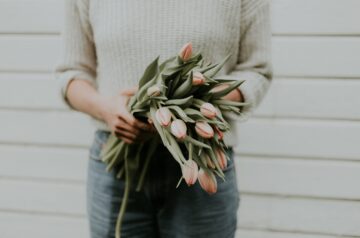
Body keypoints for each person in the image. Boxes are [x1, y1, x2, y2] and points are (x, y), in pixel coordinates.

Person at [55, 0, 272, 237]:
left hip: (201, 161)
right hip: (117, 163)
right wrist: (106, 109)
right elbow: (71, 74)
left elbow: (257, 71)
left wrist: (194, 100)